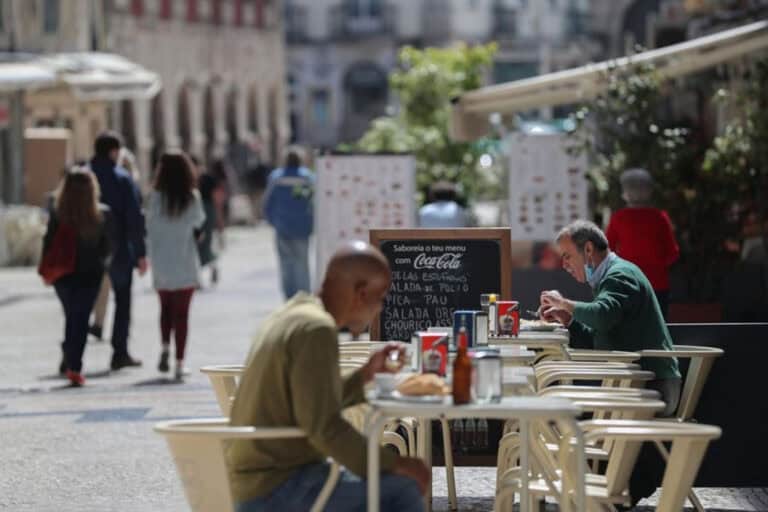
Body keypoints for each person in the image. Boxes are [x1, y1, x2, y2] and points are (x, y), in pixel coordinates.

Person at [227, 241, 429, 512]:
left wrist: (366, 374)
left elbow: (310, 403)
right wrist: (397, 463)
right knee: (402, 489)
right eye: (380, 298)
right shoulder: (317, 330)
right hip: (277, 486)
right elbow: (326, 428)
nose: (380, 308)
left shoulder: (291, 314)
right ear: (361, 293)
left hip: (254, 481)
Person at [538, 220, 681, 507]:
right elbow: (598, 336)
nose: (564, 264)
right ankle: (593, 494)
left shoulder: (620, 276)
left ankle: (597, 495)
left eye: (567, 256)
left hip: (652, 389)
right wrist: (570, 321)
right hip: (634, 386)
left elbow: (603, 315)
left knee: (562, 416)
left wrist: (566, 304)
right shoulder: (609, 279)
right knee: (562, 414)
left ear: (588, 249)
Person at [42, 168, 113, 386]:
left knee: (72, 316)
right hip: (90, 275)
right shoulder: (101, 214)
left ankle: (69, 355)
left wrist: (45, 268)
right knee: (80, 320)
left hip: (63, 275)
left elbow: (48, 242)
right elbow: (108, 248)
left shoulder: (58, 213)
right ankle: (74, 366)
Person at [146, 152, 206, 380]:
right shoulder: (192, 197)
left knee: (165, 309)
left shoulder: (154, 198)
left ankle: (164, 347)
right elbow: (199, 222)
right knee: (182, 315)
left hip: (162, 261)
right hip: (184, 260)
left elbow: (148, 226)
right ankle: (179, 363)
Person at [90, 132, 146, 370]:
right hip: (118, 249)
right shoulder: (122, 179)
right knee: (122, 301)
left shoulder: (81, 175)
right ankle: (119, 352)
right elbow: (135, 218)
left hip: (87, 249)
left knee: (82, 303)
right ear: (114, 151)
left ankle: (70, 357)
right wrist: (141, 253)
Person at [605, 168, 679, 318]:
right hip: (657, 283)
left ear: (625, 191)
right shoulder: (660, 218)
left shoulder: (618, 218)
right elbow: (673, 253)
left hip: (626, 282)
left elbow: (606, 251)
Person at [263, 147, 314, 299]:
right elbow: (315, 201)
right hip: (303, 227)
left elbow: (267, 202)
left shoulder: (276, 177)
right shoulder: (308, 177)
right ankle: (304, 296)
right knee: (302, 263)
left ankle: (289, 296)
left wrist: (272, 221)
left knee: (286, 263)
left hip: (282, 226)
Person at [196, 171, 225, 286]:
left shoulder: (197, 178)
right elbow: (216, 199)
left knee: (199, 244)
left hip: (199, 209)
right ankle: (212, 267)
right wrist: (220, 222)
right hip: (208, 210)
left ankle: (198, 277)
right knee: (206, 242)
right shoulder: (209, 178)